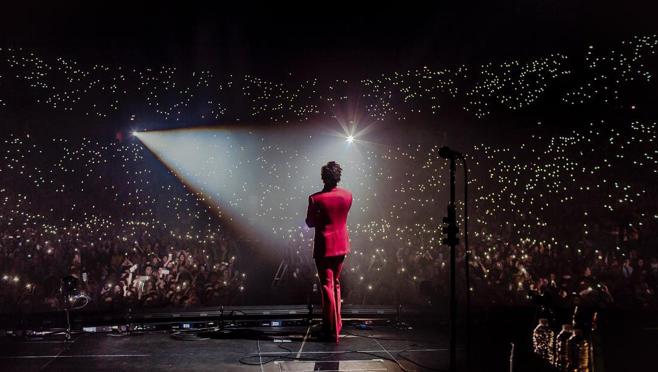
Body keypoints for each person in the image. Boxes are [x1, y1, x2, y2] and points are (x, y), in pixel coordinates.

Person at [305, 161, 352, 343]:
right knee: (336, 284)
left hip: (324, 246)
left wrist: (319, 216)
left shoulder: (315, 198)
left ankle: (331, 332)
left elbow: (310, 222)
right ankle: (336, 325)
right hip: (341, 245)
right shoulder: (348, 196)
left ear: (323, 177)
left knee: (326, 286)